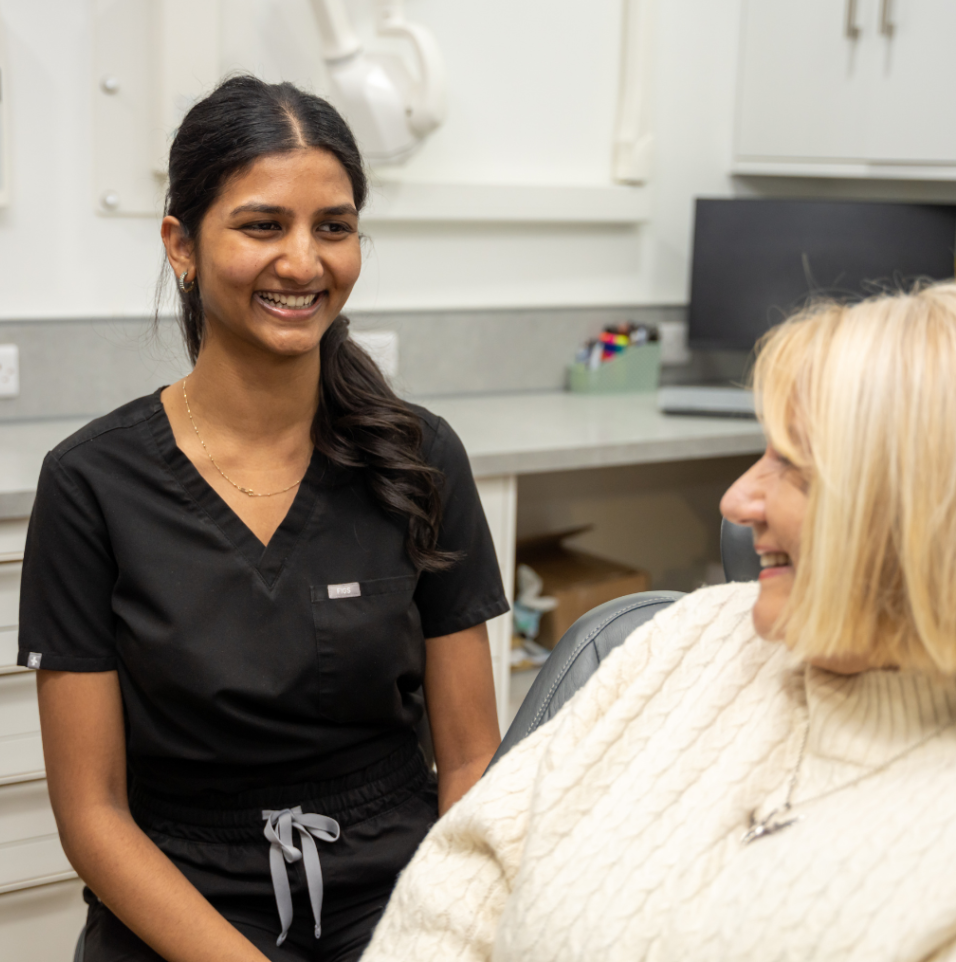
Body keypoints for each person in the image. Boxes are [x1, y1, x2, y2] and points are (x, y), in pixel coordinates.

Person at [18, 76, 508, 962]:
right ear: (182, 245)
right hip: (179, 902)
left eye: (334, 225)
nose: (304, 262)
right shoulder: (93, 483)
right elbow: (92, 814)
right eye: (262, 225)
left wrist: (450, 926)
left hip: (399, 895)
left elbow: (472, 760)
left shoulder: (420, 458)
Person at [361, 282, 956, 962]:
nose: (736, 499)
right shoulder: (690, 638)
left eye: (792, 466)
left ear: (924, 513)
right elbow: (465, 876)